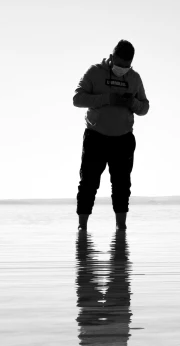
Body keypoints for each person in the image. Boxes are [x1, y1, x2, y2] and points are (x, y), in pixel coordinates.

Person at [73, 40, 150, 230]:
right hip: (96, 137)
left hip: (123, 139)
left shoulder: (135, 78)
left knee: (122, 185)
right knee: (88, 183)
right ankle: (82, 227)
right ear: (112, 57)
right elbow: (77, 99)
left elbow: (144, 107)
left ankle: (121, 228)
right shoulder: (94, 72)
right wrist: (106, 99)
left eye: (126, 66)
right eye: (119, 64)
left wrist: (132, 103)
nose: (121, 69)